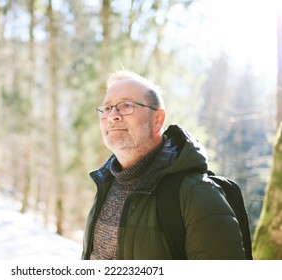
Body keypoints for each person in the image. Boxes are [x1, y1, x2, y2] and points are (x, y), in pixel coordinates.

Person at [81, 70, 245, 260]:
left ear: (157, 119)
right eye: (107, 108)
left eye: (126, 105)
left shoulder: (197, 193)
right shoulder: (106, 183)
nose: (113, 116)